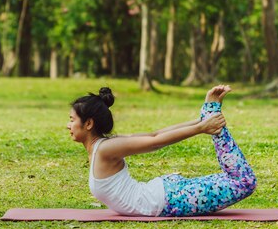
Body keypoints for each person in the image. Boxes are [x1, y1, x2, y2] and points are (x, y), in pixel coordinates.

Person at [67, 85, 257, 217]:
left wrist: (201, 126)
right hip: (168, 196)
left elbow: (155, 139)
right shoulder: (105, 147)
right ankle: (210, 113)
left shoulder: (105, 149)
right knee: (240, 181)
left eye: (71, 120)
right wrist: (202, 121)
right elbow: (155, 135)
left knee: (244, 182)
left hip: (172, 200)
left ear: (89, 123)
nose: (68, 125)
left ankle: (211, 115)